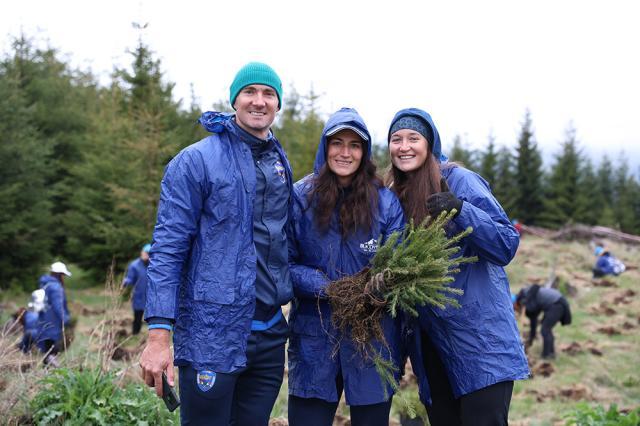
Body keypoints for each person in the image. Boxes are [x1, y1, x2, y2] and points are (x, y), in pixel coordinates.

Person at [139, 62, 294, 426]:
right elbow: (167, 250)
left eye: (268, 93)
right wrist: (159, 336)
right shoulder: (195, 161)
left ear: (278, 104)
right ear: (234, 100)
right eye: (250, 92)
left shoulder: (277, 162)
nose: (259, 101)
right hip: (212, 335)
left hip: (270, 335)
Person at [385, 108, 529, 426]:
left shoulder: (457, 180)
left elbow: (506, 243)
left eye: (413, 138)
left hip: (480, 342)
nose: (404, 146)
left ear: (430, 144)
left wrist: (461, 210)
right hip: (432, 346)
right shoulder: (394, 195)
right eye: (396, 139)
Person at [287, 107, 405, 426]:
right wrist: (329, 289)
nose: (345, 152)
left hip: (372, 340)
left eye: (354, 145)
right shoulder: (301, 197)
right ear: (325, 147)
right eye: (337, 143)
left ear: (364, 153)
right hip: (314, 336)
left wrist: (381, 284)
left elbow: (399, 261)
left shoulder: (385, 203)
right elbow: (284, 263)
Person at [515, 284, 571, 359]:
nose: (516, 310)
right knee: (547, 330)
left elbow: (535, 288)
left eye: (514, 308)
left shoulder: (526, 296)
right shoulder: (528, 299)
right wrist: (531, 337)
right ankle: (551, 354)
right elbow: (533, 319)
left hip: (557, 304)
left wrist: (526, 302)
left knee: (545, 330)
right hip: (555, 304)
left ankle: (546, 355)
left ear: (515, 303)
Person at [37, 261, 72, 366]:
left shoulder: (45, 284)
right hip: (53, 321)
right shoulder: (56, 287)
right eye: (63, 275)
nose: (64, 278)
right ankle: (55, 369)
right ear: (59, 274)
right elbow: (58, 306)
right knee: (53, 349)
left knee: (46, 349)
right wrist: (65, 319)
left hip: (43, 320)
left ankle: (46, 372)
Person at [122, 243, 151, 335]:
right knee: (138, 316)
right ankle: (135, 333)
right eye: (145, 252)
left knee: (153, 318)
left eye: (149, 253)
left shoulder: (154, 265)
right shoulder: (134, 265)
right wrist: (125, 282)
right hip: (139, 295)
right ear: (141, 252)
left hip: (151, 296)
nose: (146, 255)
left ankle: (152, 336)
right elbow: (130, 278)